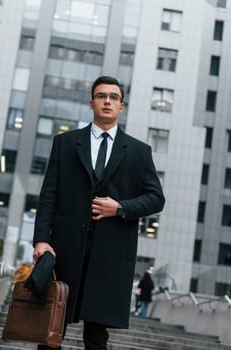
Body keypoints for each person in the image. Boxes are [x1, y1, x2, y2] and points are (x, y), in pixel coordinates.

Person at [32, 76, 165, 349]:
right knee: (51, 326)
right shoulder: (66, 143)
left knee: (97, 337)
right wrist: (41, 239)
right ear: (91, 103)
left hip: (110, 255)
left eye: (113, 97)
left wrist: (120, 208)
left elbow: (156, 199)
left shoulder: (139, 152)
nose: (107, 101)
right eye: (102, 96)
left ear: (121, 107)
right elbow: (49, 195)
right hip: (65, 249)